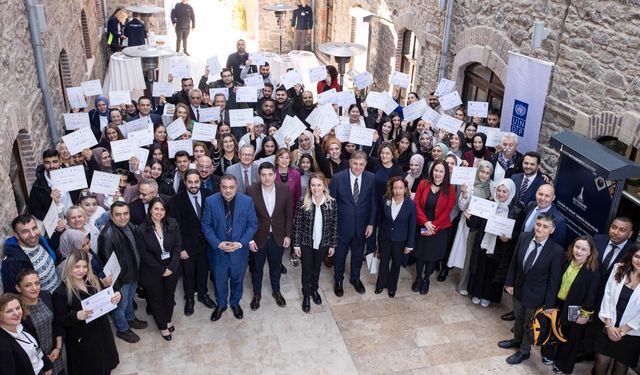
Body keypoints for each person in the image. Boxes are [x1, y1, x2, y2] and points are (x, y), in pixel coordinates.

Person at [499, 213, 564, 365]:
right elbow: (514, 262)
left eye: (545, 226)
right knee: (518, 317)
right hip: (519, 289)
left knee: (529, 325)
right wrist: (509, 283)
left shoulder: (556, 251)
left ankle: (524, 351)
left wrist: (549, 304)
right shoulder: (524, 237)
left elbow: (554, 281)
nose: (540, 228)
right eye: (538, 224)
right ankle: (516, 340)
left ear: (552, 230)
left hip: (536, 296)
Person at [536, 236, 600, 374]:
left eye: (583, 249)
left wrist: (585, 315)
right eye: (577, 247)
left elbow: (591, 297)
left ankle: (563, 365)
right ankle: (549, 354)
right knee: (553, 330)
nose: (579, 251)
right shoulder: (565, 261)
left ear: (590, 252)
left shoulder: (593, 272)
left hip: (575, 309)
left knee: (571, 338)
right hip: (558, 303)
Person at [52, 250, 120, 374]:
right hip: (82, 338)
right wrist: (76, 315)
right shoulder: (61, 292)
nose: (81, 270)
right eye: (77, 267)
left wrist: (115, 296)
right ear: (69, 267)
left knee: (104, 363)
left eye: (84, 266)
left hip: (102, 330)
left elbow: (106, 296)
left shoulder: (93, 281)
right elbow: (59, 320)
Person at [201, 174, 258, 321]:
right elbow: (206, 226)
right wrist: (218, 243)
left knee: (237, 280)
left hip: (239, 252)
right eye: (224, 187)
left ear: (236, 187)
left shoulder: (247, 201)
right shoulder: (210, 201)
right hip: (218, 253)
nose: (228, 191)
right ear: (219, 187)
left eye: (231, 187)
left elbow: (253, 224)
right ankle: (221, 305)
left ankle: (235, 303)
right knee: (219, 281)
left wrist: (240, 243)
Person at [467, 179, 526, 307]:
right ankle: (476, 293)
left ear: (510, 193)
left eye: (504, 191)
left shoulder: (516, 210)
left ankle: (488, 296)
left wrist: (509, 237)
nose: (500, 194)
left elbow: (518, 232)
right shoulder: (489, 204)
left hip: (500, 247)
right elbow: (476, 224)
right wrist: (470, 217)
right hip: (484, 242)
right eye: (498, 190)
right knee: (481, 269)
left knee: (493, 272)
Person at [98, 201, 148, 343]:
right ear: (112, 217)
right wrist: (116, 286)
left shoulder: (131, 227)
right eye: (118, 215)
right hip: (121, 280)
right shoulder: (107, 235)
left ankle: (130, 319)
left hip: (133, 274)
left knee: (129, 300)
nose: (122, 217)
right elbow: (107, 263)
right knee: (120, 306)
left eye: (125, 214)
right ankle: (122, 329)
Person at [329, 151, 377, 296]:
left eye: (361, 164)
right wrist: (333, 226)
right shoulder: (338, 178)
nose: (357, 167)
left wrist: (370, 224)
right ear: (350, 162)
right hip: (342, 226)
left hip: (362, 226)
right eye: (355, 164)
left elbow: (373, 203)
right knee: (340, 255)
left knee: (357, 254)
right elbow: (331, 204)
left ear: (365, 165)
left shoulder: (371, 178)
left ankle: (355, 278)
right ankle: (338, 280)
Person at [246, 163, 293, 310]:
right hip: (258, 237)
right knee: (257, 268)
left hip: (278, 236)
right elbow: (247, 216)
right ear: (259, 176)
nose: (267, 178)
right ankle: (257, 294)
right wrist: (250, 239)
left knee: (275, 266)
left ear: (275, 174)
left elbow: (288, 214)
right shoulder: (251, 190)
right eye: (263, 175)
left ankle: (276, 291)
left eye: (270, 174)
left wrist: (288, 235)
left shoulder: (284, 189)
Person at [169, 170, 216, 316]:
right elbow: (174, 228)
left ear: (200, 181)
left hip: (206, 243)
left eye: (196, 181)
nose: (193, 185)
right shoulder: (176, 200)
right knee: (188, 274)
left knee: (204, 270)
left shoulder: (209, 195)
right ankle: (189, 299)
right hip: (187, 246)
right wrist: (181, 248)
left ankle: (203, 294)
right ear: (185, 182)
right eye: (190, 182)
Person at [135, 198, 181, 341]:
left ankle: (167, 320)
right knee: (157, 300)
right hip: (151, 272)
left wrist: (171, 267)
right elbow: (144, 254)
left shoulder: (172, 224)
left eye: (162, 209)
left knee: (169, 296)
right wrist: (162, 270)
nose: (159, 212)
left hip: (171, 269)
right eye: (156, 209)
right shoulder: (141, 230)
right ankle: (162, 326)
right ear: (150, 210)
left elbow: (177, 247)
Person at [447, 160, 494, 295]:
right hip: (468, 224)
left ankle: (472, 285)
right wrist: (464, 193)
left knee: (476, 255)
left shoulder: (492, 187)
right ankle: (463, 283)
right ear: (477, 170)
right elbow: (462, 206)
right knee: (466, 254)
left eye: (487, 173)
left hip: (483, 226)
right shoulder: (469, 184)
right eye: (482, 171)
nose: (484, 175)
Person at [293, 173, 337, 312]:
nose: (316, 188)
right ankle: (306, 295)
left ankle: (314, 290)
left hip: (323, 243)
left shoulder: (331, 203)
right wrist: (296, 244)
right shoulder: (303, 201)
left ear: (324, 186)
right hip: (306, 243)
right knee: (306, 269)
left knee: (316, 269)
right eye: (313, 185)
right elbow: (298, 225)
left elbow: (334, 225)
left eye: (319, 185)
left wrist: (332, 244)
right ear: (309, 187)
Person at [593, 245, 640, 375]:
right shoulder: (619, 268)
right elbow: (607, 295)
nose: (639, 261)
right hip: (610, 324)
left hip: (631, 332)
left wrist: (622, 331)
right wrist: (609, 325)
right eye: (637, 256)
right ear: (631, 256)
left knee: (620, 366)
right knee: (602, 361)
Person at [412, 160, 456, 294]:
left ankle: (426, 279)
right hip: (422, 225)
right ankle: (418, 278)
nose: (437, 174)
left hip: (439, 228)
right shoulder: (423, 184)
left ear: (445, 173)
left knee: (431, 256)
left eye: (441, 171)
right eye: (436, 170)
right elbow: (416, 204)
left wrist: (434, 226)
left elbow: (448, 210)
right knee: (420, 254)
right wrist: (425, 222)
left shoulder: (450, 188)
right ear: (432, 171)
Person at [15, 270, 64, 375]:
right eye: (28, 285)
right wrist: (44, 361)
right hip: (35, 364)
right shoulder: (16, 309)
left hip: (55, 356)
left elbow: (57, 323)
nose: (35, 288)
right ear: (18, 288)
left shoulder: (46, 296)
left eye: (37, 283)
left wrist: (58, 348)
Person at [375, 177, 416, 297]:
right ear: (391, 189)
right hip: (385, 237)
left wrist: (410, 244)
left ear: (405, 189)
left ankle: (392, 287)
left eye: (401, 188)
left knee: (396, 264)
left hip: (400, 239)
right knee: (383, 262)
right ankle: (380, 284)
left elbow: (412, 226)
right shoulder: (385, 200)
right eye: (395, 188)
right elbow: (380, 219)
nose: (398, 191)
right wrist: (378, 239)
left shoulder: (410, 204)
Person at [2, 215, 60, 294]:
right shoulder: (13, 263)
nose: (33, 234)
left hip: (59, 291)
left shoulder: (41, 241)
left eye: (34, 228)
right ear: (16, 235)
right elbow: (13, 293)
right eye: (25, 231)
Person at [0, 293, 53, 375]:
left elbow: (35, 347)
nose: (16, 313)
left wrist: (46, 364)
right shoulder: (3, 345)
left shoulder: (23, 324)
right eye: (9, 311)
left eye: (18, 308)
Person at [28, 149, 81, 221]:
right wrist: (51, 202)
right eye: (47, 162)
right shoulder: (38, 186)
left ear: (60, 161)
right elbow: (36, 211)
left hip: (78, 217)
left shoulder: (71, 174)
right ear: (43, 164)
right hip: (59, 223)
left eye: (55, 162)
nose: (51, 166)